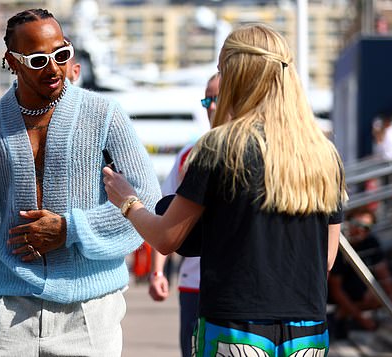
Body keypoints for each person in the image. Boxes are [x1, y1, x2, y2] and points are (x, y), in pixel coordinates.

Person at [103, 23, 346, 356]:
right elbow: (327, 258)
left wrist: (127, 200)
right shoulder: (323, 153)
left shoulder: (220, 147)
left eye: (222, 69)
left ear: (238, 74)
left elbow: (165, 238)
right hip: (308, 328)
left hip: (234, 326)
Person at [0, 8, 160, 356]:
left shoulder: (105, 115)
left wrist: (70, 229)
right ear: (12, 62)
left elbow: (147, 198)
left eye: (61, 54)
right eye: (38, 59)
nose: (54, 68)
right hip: (11, 308)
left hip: (92, 311)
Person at [149, 73, 219, 357]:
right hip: (194, 283)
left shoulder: (262, 152)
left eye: (217, 98)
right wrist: (157, 271)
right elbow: (166, 216)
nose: (211, 107)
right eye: (207, 100)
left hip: (240, 287)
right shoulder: (190, 154)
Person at [328, 207, 392, 337]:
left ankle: (344, 314)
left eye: (367, 227)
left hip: (359, 292)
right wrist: (362, 319)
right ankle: (342, 316)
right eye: (358, 224)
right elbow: (335, 290)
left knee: (380, 294)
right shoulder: (339, 245)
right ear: (349, 222)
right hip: (335, 296)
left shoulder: (371, 242)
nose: (361, 230)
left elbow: (385, 275)